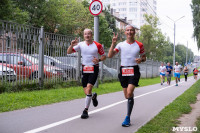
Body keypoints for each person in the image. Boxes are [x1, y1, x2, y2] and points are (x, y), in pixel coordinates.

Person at [108, 25, 146, 127]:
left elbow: (144, 57)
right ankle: (130, 98)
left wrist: (141, 60)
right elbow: (110, 55)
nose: (129, 32)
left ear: (134, 32)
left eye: (131, 30)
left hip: (134, 70)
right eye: (127, 30)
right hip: (123, 71)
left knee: (129, 93)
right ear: (125, 32)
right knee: (127, 96)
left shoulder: (139, 45)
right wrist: (113, 43)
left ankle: (127, 117)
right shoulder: (120, 44)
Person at [67, 28, 106, 119]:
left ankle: (85, 110)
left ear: (91, 35)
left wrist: (99, 60)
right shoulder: (80, 44)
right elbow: (68, 52)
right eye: (85, 34)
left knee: (88, 89)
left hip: (94, 68)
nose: (87, 35)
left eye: (89, 34)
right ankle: (93, 96)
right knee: (86, 92)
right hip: (85, 68)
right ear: (83, 35)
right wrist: (71, 45)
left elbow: (104, 56)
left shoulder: (97, 45)